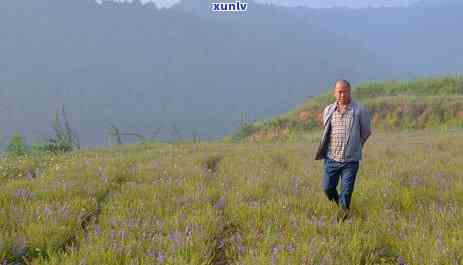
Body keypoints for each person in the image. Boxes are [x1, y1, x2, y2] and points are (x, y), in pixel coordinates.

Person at [315, 80, 371, 221]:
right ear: (334, 93)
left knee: (346, 192)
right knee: (328, 189)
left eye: (345, 91)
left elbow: (366, 132)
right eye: (339, 91)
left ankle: (342, 221)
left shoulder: (359, 110)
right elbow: (326, 129)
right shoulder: (328, 110)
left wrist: (356, 145)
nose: (342, 94)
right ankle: (342, 206)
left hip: (350, 161)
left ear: (349, 92)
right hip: (331, 158)